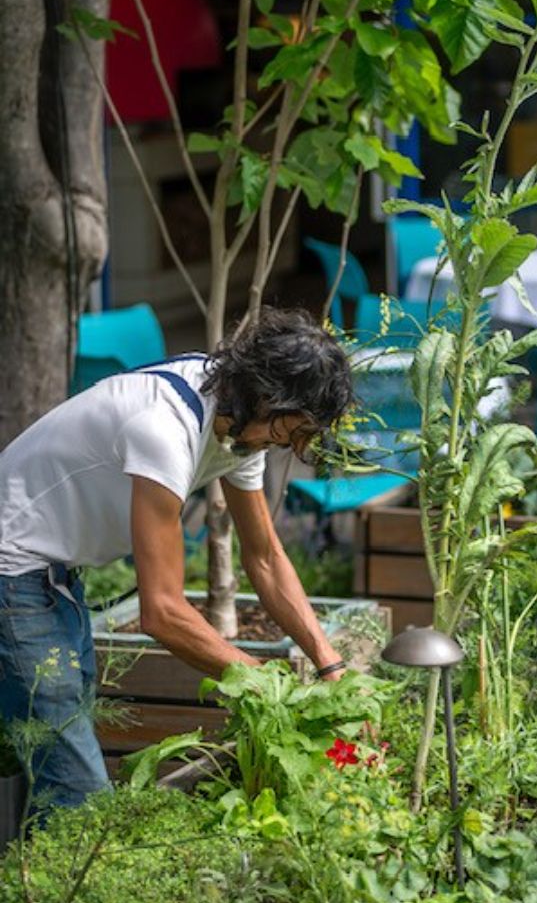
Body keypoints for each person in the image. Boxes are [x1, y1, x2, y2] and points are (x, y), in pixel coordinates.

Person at [0, 306, 354, 813]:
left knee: (54, 760)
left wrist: (329, 663)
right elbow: (161, 610)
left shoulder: (238, 424)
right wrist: (258, 679)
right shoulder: (165, 427)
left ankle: (28, 883)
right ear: (267, 397)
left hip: (54, 576)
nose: (287, 447)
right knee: (78, 796)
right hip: (13, 571)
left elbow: (266, 558)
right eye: (288, 431)